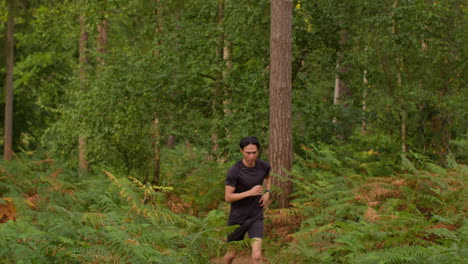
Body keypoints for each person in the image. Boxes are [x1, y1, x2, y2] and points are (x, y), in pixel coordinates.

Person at [222, 136, 271, 264]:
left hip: (256, 216)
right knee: (231, 254)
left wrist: (267, 192)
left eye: (254, 152)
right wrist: (250, 192)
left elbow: (268, 177)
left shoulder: (263, 166)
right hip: (237, 218)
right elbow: (228, 197)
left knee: (257, 255)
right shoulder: (235, 171)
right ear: (241, 151)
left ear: (258, 151)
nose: (251, 156)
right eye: (248, 153)